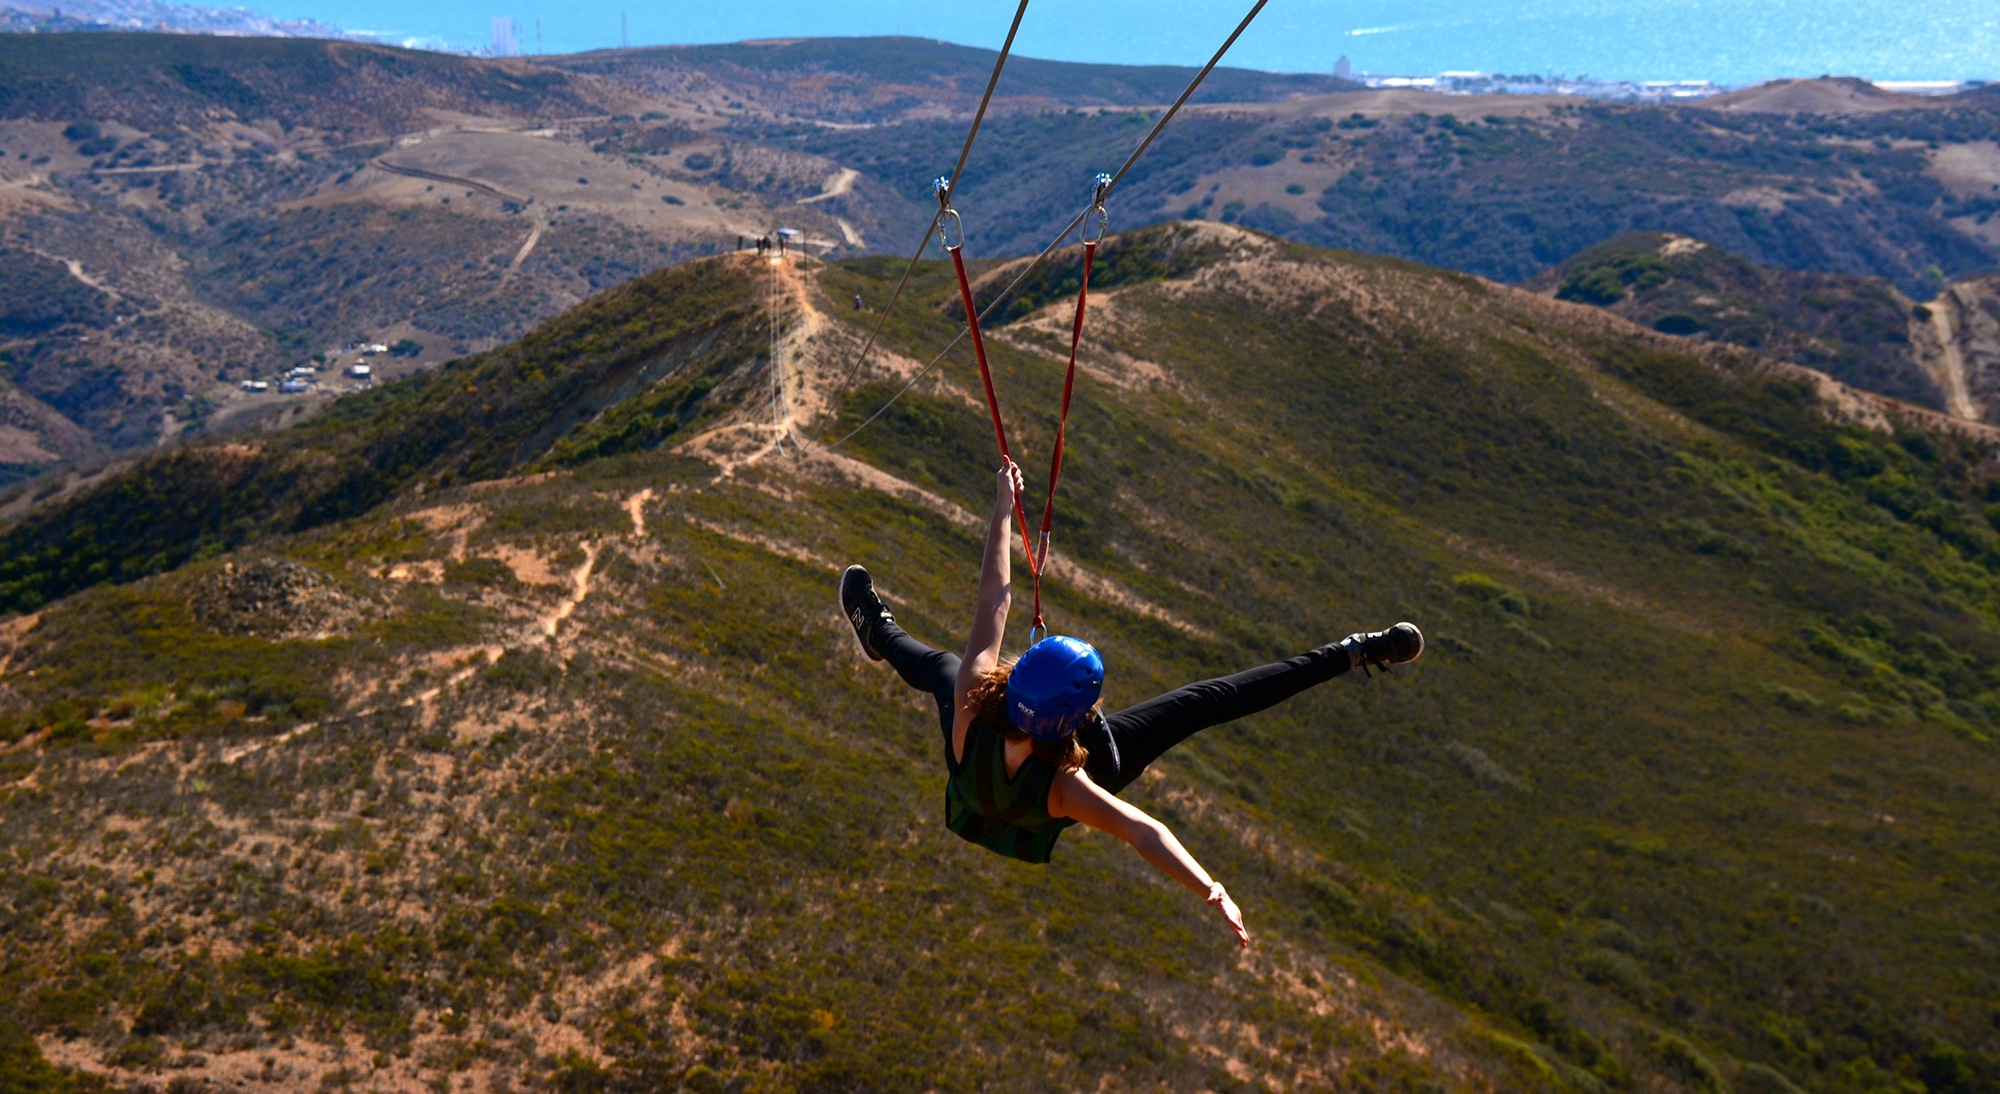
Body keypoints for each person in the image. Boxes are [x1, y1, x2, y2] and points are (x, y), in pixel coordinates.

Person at [840, 458, 1423, 947]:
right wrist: (1209, 888)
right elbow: (1144, 832)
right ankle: (1350, 653)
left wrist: (1000, 508)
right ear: (1078, 718)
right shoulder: (1070, 785)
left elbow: (995, 599)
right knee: (1208, 700)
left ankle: (878, 634)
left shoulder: (973, 704)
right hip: (1044, 787)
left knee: (941, 667)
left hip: (983, 774)